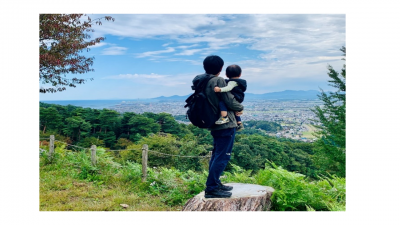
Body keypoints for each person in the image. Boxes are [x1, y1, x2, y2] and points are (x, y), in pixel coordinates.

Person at [192, 55, 244, 198]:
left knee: (216, 155)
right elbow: (229, 100)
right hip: (225, 124)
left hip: (214, 121)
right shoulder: (218, 80)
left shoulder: (202, 80)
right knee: (222, 156)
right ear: (221, 68)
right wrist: (240, 107)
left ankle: (215, 182)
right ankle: (212, 187)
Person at [214, 64, 246, 131]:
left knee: (222, 103)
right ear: (240, 74)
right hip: (239, 97)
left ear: (226, 74)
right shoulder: (239, 82)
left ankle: (224, 117)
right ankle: (239, 123)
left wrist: (220, 89)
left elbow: (228, 88)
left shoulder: (232, 82)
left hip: (236, 96)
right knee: (234, 110)